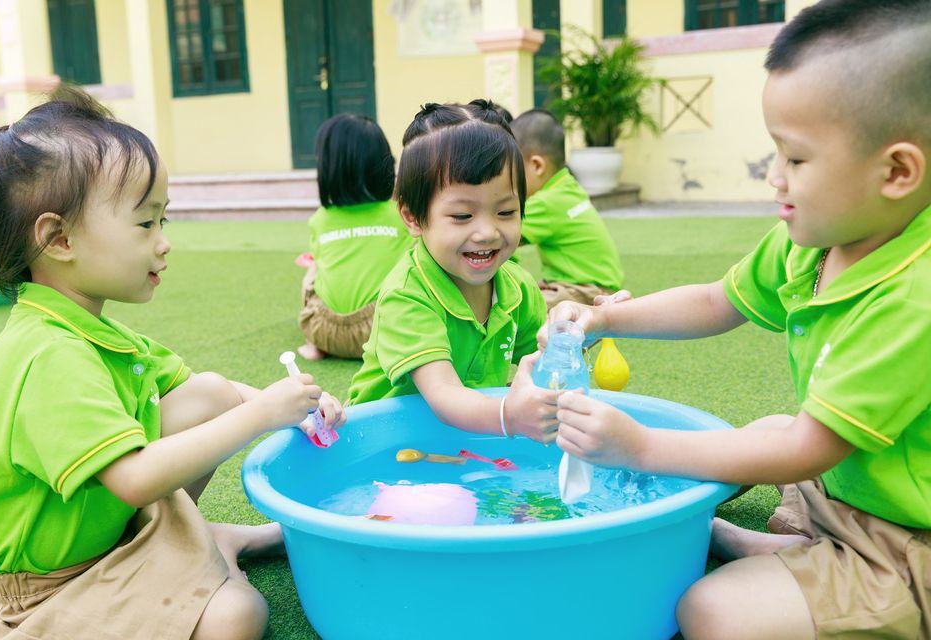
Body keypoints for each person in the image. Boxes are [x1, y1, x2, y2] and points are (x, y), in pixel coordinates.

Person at [546, 1, 931, 638]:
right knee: (772, 428)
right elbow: (715, 302)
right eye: (774, 152)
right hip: (854, 490)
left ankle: (819, 564)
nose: (774, 177)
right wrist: (601, 319)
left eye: (796, 159)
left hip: (908, 540)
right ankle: (796, 554)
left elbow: (808, 449)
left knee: (712, 613)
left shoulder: (913, 298)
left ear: (895, 171)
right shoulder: (818, 239)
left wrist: (641, 448)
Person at [0, 88, 344, 640]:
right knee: (238, 617)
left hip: (99, 540)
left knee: (212, 393)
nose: (164, 243)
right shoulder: (47, 354)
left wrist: (302, 406)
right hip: (46, 588)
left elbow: (215, 396)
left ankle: (203, 542)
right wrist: (263, 413)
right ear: (59, 239)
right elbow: (133, 478)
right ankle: (211, 545)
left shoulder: (91, 330)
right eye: (146, 224)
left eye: (162, 220)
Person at [347, 100, 557, 443]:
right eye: (462, 216)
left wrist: (577, 331)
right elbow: (444, 396)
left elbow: (545, 364)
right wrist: (511, 415)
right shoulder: (407, 295)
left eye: (506, 212)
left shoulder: (517, 288)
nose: (487, 232)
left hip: (467, 433)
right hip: (387, 442)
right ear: (413, 217)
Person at [297, 114, 413, 360]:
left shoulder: (320, 219)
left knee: (312, 272)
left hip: (324, 330)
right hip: (386, 331)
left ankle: (312, 346)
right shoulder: (400, 214)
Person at [510, 108, 624, 308]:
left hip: (585, 290)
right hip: (597, 286)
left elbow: (503, 239)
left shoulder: (546, 202)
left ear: (537, 166)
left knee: (522, 308)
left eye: (513, 172)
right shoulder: (567, 187)